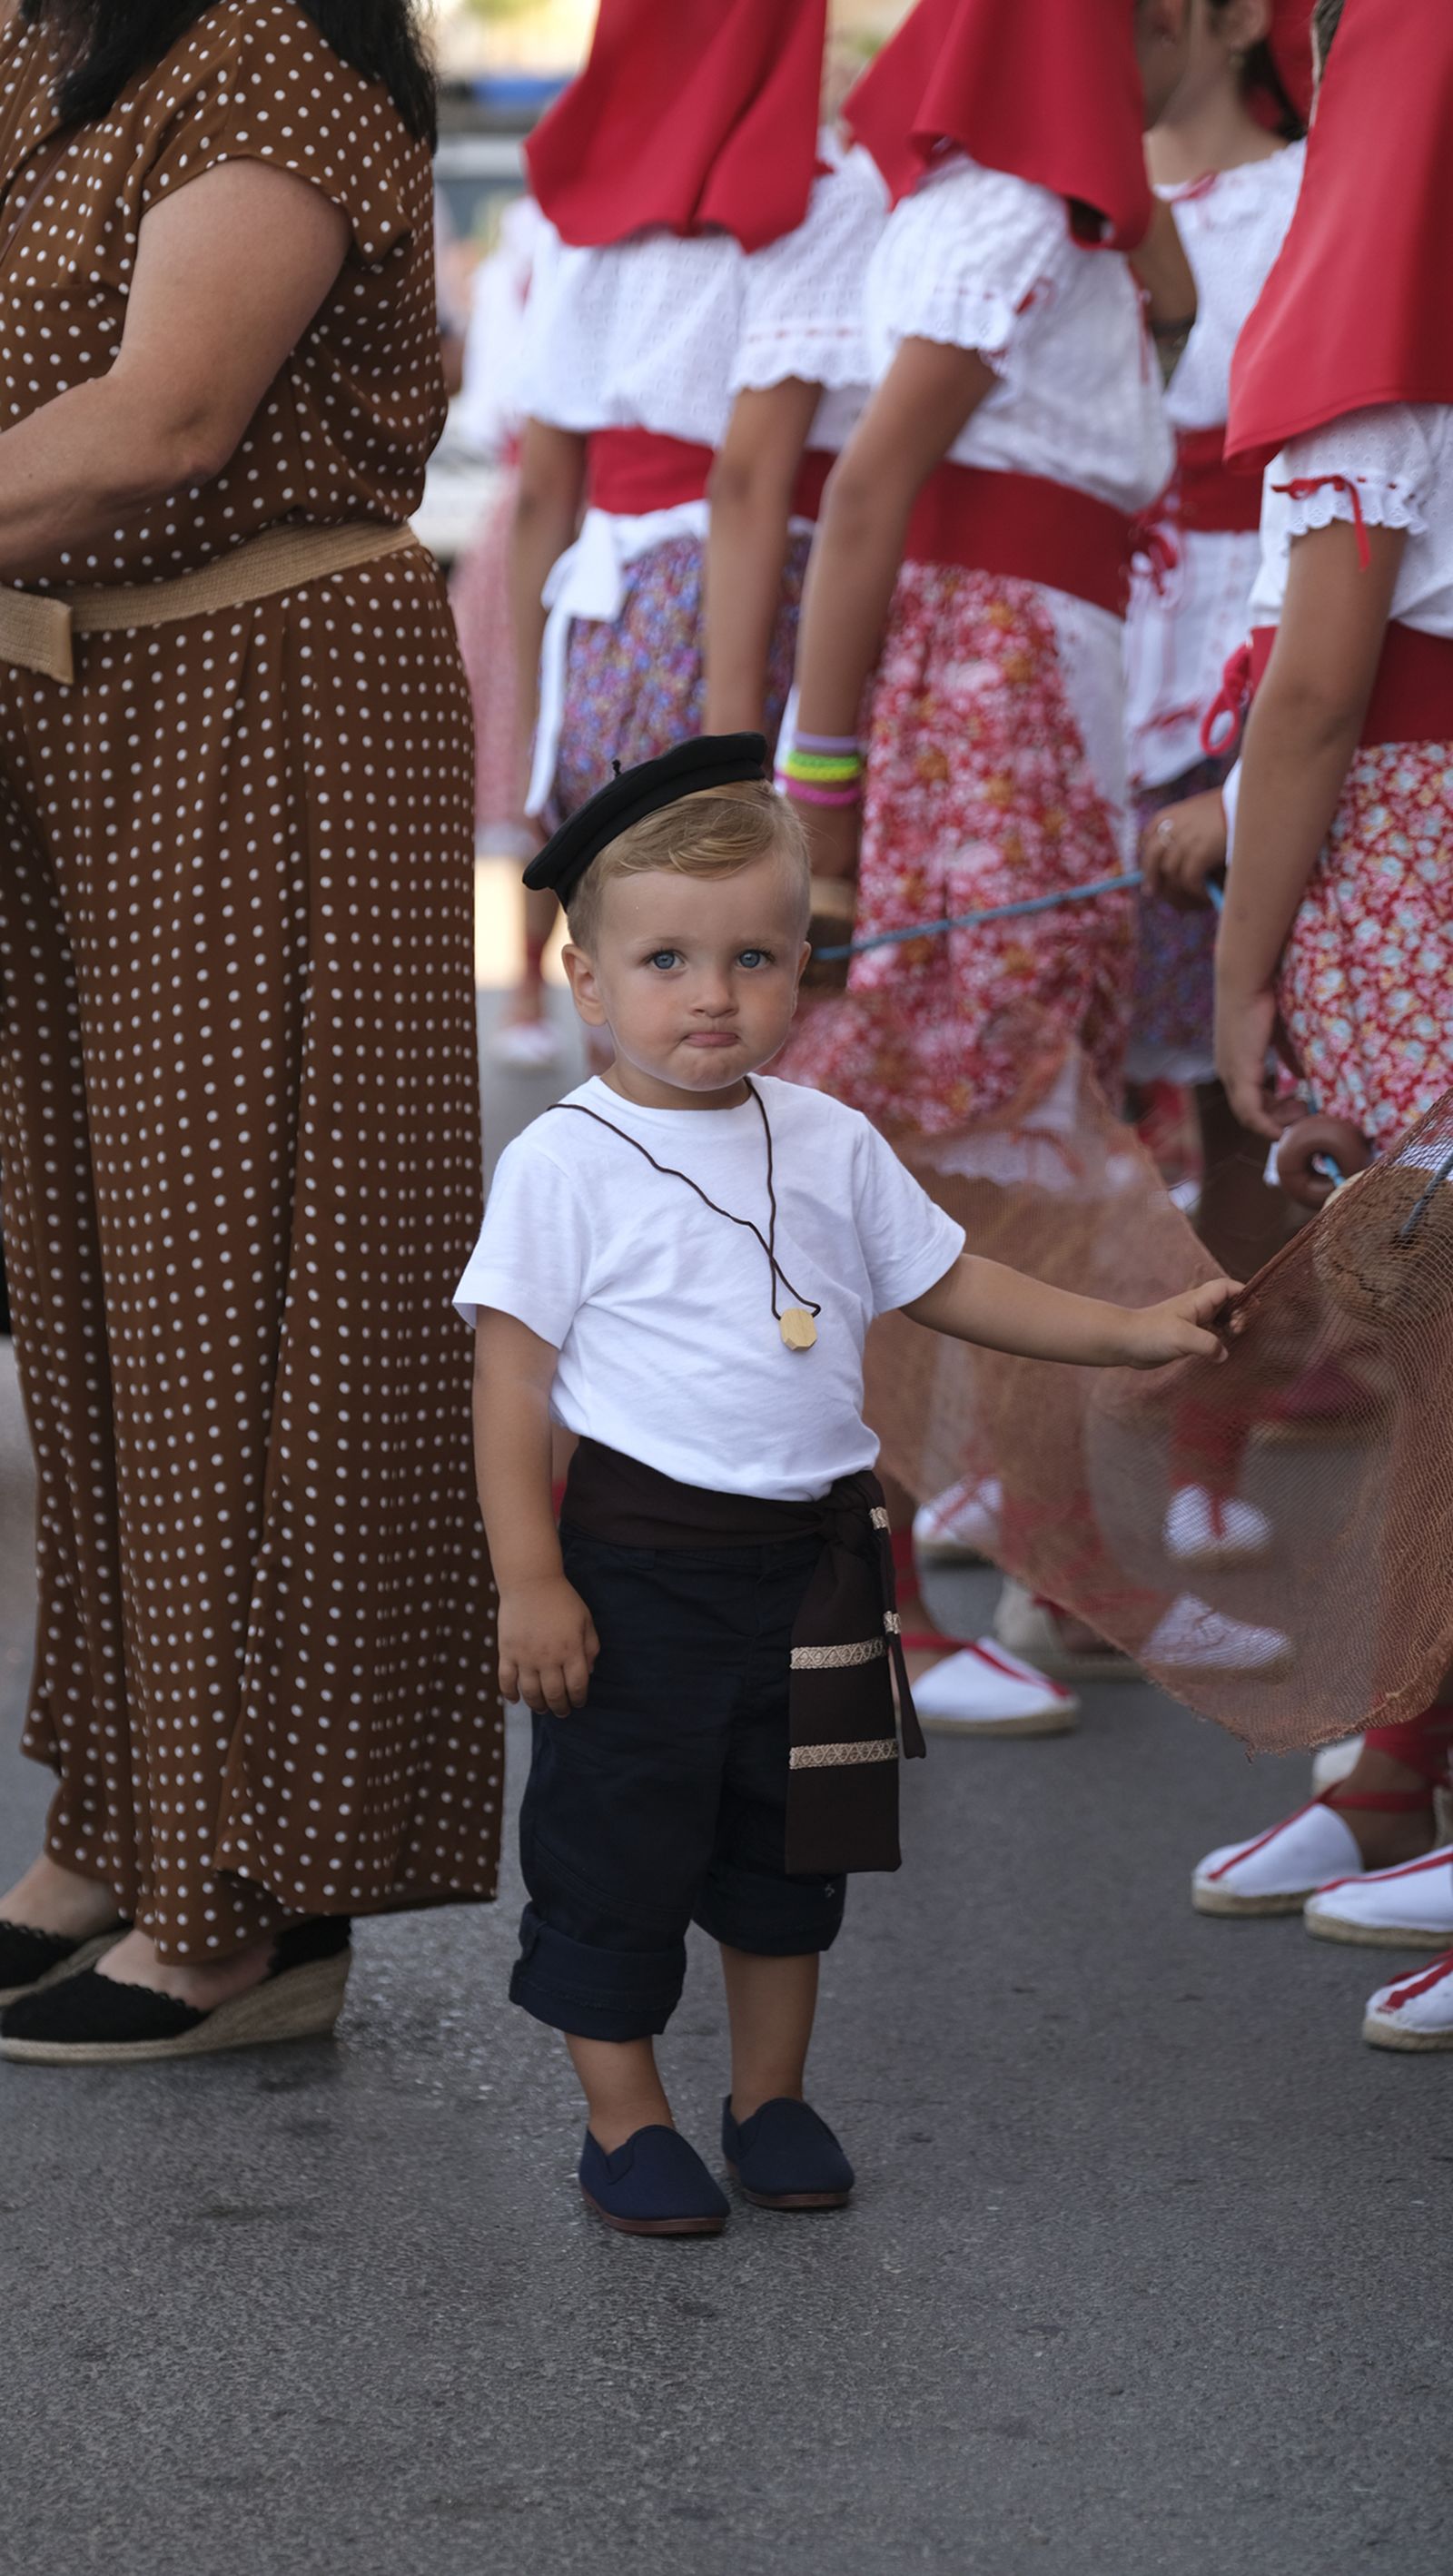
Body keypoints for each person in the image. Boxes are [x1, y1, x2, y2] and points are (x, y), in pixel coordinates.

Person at [457, 735, 1236, 2234]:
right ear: (584, 973)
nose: (711, 994)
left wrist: (1137, 1332)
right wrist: (530, 1577)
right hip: (641, 1568)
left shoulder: (831, 1139)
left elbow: (957, 1280)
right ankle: (626, 2121)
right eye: (666, 958)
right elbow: (511, 1381)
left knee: (787, 1850)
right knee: (613, 1851)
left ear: (806, 965)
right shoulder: (566, 1163)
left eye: (753, 955)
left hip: (817, 1560)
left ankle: (772, 2094)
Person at [0, 0, 500, 2065]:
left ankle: (258, 1904)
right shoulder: (70, 46)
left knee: (253, 1307)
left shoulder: (274, 55)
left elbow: (166, 418)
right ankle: (130, 1822)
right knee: (100, 1298)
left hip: (262, 702)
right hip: (94, 703)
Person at [773, 0, 1192, 1718]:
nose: (1183, 47)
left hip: (1042, 667)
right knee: (973, 1123)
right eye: (1161, 18)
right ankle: (890, 1600)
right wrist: (820, 804)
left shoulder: (1037, 211)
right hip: (990, 684)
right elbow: (865, 495)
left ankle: (1039, 1552)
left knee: (1016, 1118)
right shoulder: (998, 213)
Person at [1181, 0, 1453, 2053]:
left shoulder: (1370, 386)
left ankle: (1404, 1755)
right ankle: (1393, 1747)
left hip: (1408, 859)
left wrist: (1243, 956)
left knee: (1439, 1323)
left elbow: (1312, 685)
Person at [509, 0, 830, 842]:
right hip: (751, 612)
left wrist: (535, 717)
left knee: (634, 928)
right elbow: (748, 482)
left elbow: (543, 494)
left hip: (605, 631)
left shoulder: (576, 214)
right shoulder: (805, 198)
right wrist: (732, 746)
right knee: (752, 937)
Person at [1124, 0, 1308, 1273]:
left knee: (1248, 1052)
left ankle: (1231, 1412)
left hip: (1269, 616)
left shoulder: (1315, 192)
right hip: (1117, 623)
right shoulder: (1077, 199)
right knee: (1126, 1042)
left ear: (1240, 20)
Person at [448, 192, 564, 1072]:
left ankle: (554, 983)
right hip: (540, 506)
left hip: (599, 510)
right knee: (530, 753)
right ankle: (530, 980)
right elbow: (499, 404)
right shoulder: (528, 240)